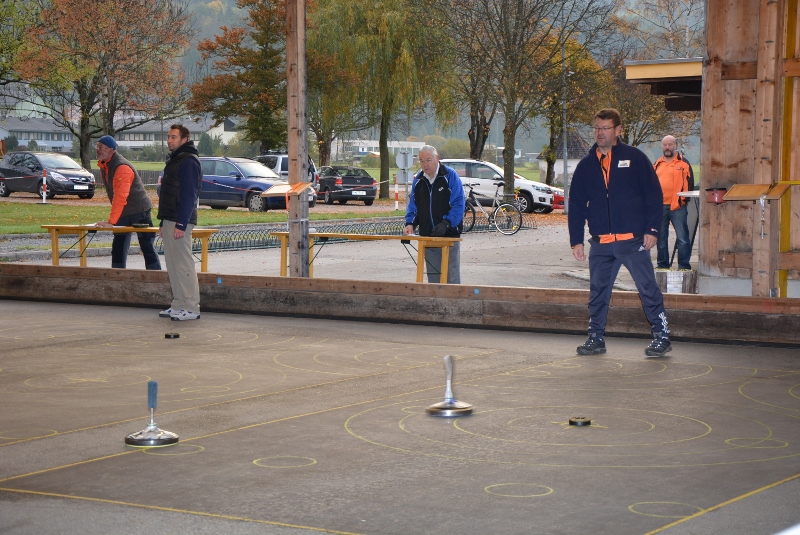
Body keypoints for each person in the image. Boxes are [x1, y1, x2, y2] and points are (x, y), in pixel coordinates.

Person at [568, 109, 671, 357]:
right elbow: (577, 204)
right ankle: (595, 338)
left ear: (618, 130)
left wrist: (652, 230)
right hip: (601, 243)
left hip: (632, 240)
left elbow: (653, 195)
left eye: (605, 128)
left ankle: (662, 336)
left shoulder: (635, 158)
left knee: (647, 288)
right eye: (596, 128)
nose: (599, 133)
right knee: (598, 292)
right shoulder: (586, 165)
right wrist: (576, 240)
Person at [157, 124, 203, 321]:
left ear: (184, 140)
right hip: (170, 218)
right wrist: (163, 221)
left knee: (183, 264)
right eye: (168, 136)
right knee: (173, 264)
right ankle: (178, 304)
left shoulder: (189, 161)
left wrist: (181, 224)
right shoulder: (175, 160)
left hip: (180, 220)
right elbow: (168, 193)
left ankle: (191, 307)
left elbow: (189, 195)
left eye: (173, 137)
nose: (169, 140)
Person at [94, 135, 161, 270]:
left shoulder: (121, 167)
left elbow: (120, 196)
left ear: (111, 150)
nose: (98, 150)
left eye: (101, 147)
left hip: (140, 210)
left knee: (147, 245)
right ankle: (118, 276)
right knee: (118, 247)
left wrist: (111, 222)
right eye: (97, 146)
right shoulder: (104, 166)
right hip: (124, 212)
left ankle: (156, 275)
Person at [404, 145, 465, 284]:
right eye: (421, 161)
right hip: (428, 236)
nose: (425, 164)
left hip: (449, 235)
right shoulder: (418, 180)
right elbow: (413, 205)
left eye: (428, 160)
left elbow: (459, 204)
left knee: (451, 278)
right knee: (434, 279)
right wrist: (410, 223)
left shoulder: (450, 175)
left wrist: (446, 223)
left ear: (437, 158)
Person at [654, 135, 694, 270]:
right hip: (660, 207)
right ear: (662, 146)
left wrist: (684, 201)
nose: (667, 147)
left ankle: (684, 266)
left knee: (683, 238)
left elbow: (690, 183)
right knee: (661, 238)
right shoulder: (657, 163)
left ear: (675, 146)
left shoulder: (684, 163)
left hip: (678, 207)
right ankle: (662, 265)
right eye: (665, 145)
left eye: (670, 144)